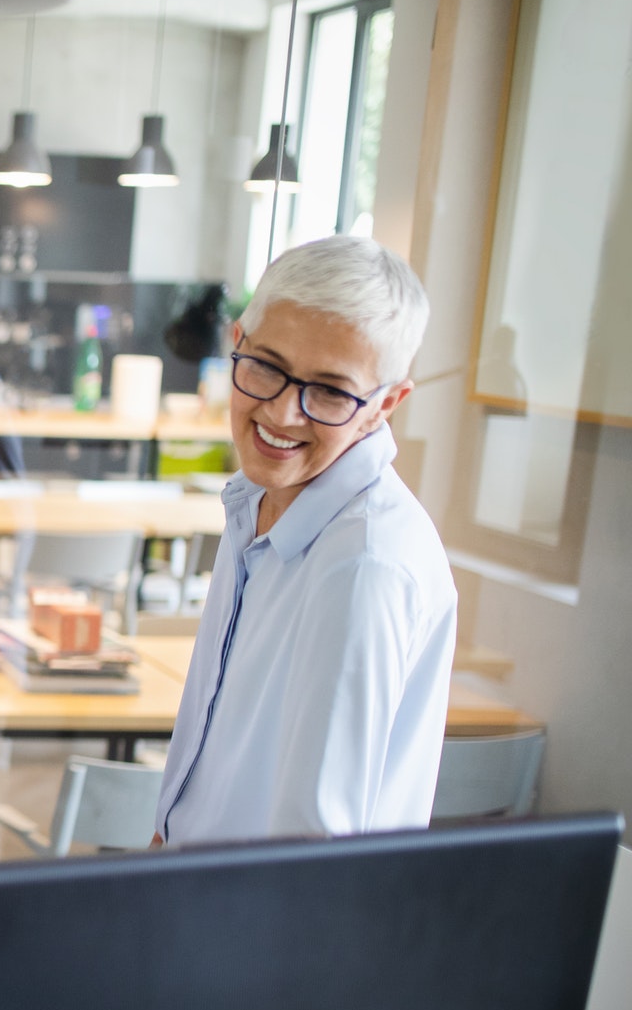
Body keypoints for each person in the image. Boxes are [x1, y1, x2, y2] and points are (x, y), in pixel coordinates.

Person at [155, 234, 455, 844]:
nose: (284, 414)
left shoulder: (363, 565)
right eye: (266, 366)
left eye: (329, 391)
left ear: (385, 404)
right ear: (237, 343)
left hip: (266, 928)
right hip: (194, 902)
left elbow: (316, 851)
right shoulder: (255, 501)